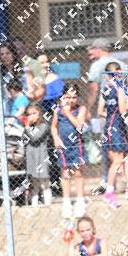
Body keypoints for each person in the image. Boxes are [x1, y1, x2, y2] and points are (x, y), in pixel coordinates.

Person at [86, 38, 127, 196]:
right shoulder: (121, 64)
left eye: (92, 48)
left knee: (107, 148)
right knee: (122, 148)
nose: (90, 52)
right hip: (122, 112)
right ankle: (126, 181)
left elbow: (94, 89)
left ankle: (107, 181)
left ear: (100, 49)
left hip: (107, 113)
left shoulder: (97, 65)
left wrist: (88, 109)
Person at [98, 62, 128, 208]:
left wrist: (111, 116)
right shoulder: (120, 87)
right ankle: (109, 192)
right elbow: (122, 109)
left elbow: (100, 111)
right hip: (116, 127)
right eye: (117, 71)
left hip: (113, 125)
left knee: (126, 158)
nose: (119, 73)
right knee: (119, 159)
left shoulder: (106, 88)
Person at [51, 82, 87, 219]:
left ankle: (80, 202)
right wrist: (56, 138)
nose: (70, 100)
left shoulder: (81, 109)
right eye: (68, 97)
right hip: (63, 146)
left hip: (77, 145)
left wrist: (67, 113)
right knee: (65, 173)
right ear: (63, 97)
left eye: (74, 97)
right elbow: (53, 127)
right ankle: (66, 203)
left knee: (78, 172)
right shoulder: (57, 110)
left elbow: (79, 125)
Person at [23, 102, 52, 207]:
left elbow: (35, 138)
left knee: (44, 182)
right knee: (34, 182)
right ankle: (34, 204)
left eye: (34, 113)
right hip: (31, 157)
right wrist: (26, 127)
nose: (31, 116)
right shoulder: (28, 128)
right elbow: (24, 139)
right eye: (29, 114)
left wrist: (27, 127)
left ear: (40, 113)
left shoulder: (43, 126)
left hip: (41, 156)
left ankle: (47, 203)